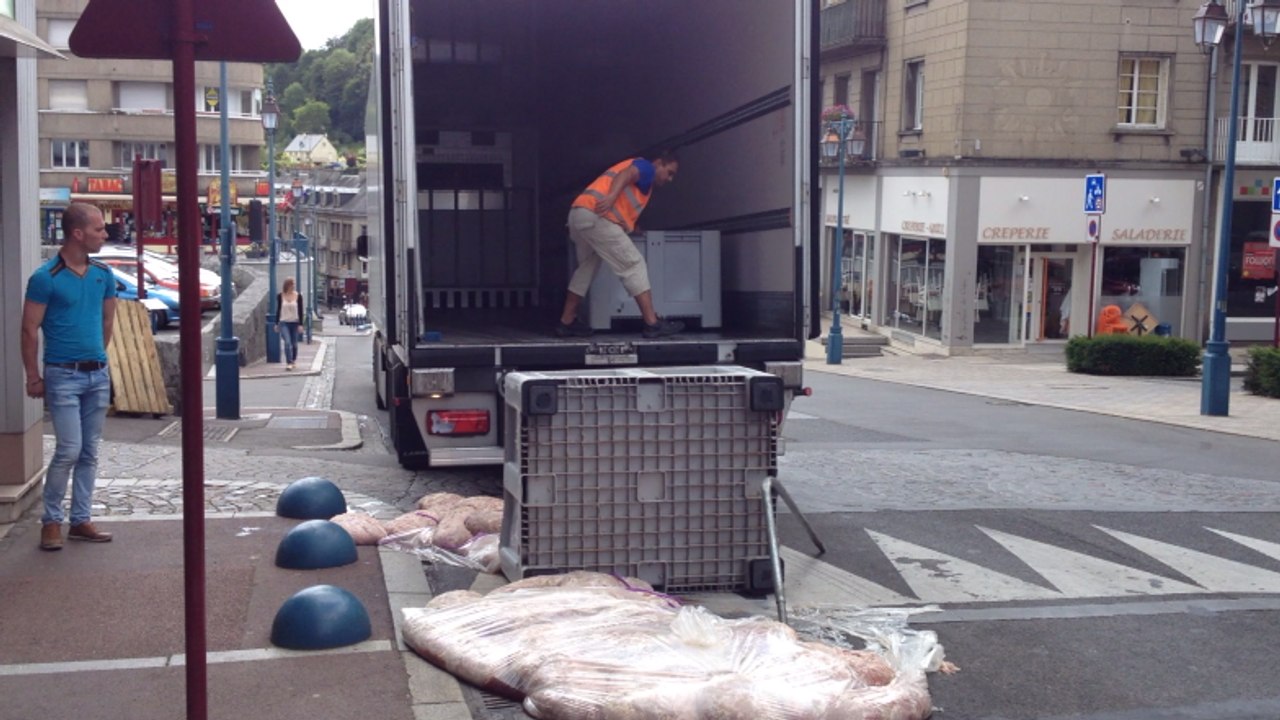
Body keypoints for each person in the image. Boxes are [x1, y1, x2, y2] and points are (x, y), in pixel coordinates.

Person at [21, 202, 118, 551]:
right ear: (78, 233)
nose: (105, 235)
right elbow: (29, 329)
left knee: (90, 451)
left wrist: (97, 357)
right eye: (98, 229)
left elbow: (107, 321)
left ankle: (80, 520)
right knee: (69, 450)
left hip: (97, 374)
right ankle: (51, 522)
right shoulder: (45, 277)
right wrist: (34, 376)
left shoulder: (103, 274)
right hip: (62, 375)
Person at [556, 150, 684, 338]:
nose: (670, 179)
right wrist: (611, 197)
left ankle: (566, 322)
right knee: (633, 264)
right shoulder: (647, 167)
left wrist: (631, 225)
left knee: (587, 268)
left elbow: (623, 207)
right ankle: (652, 323)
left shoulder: (643, 181)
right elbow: (626, 174)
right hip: (597, 217)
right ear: (659, 163)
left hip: (579, 215)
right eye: (669, 172)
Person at [277, 277, 304, 370]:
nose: (294, 286)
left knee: (294, 344)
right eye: (292, 284)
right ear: (287, 285)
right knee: (287, 342)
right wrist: (276, 323)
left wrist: (301, 324)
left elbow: (300, 311)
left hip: (295, 322)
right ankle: (289, 362)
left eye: (294, 284)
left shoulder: (298, 296)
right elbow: (278, 310)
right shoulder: (280, 296)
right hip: (284, 322)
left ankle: (293, 360)